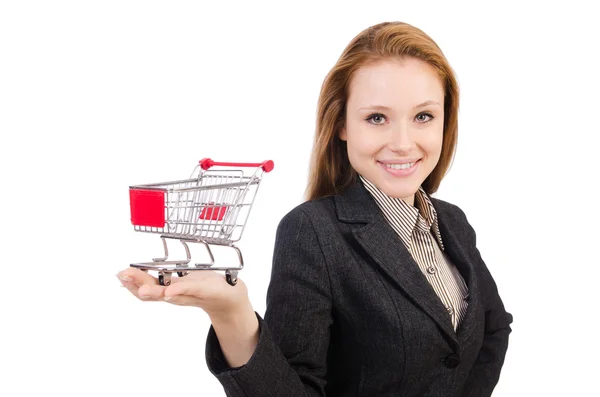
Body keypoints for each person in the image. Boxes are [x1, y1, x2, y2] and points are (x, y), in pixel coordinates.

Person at [117, 21, 513, 397]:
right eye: (377, 118)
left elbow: (494, 329)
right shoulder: (312, 232)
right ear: (341, 124)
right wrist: (230, 313)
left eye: (423, 116)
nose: (404, 143)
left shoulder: (453, 222)